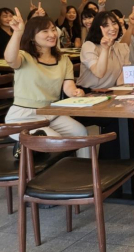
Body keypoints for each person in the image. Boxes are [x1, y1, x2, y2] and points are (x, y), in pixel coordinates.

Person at [3, 11, 89, 157]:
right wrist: (17, 33)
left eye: (53, 29)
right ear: (32, 37)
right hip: (24, 116)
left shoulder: (64, 60)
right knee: (56, 141)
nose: (52, 34)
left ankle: (86, 170)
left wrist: (76, 92)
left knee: (81, 132)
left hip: (51, 113)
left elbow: (69, 88)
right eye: (45, 31)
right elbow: (10, 59)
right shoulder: (25, 56)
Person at [77, 11, 130, 90]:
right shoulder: (88, 46)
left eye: (114, 23)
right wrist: (105, 48)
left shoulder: (123, 47)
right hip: (88, 92)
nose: (112, 28)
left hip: (110, 91)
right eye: (106, 25)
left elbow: (121, 80)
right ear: (98, 28)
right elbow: (99, 73)